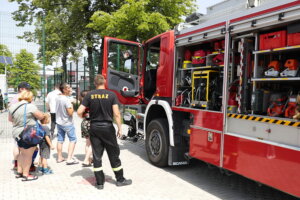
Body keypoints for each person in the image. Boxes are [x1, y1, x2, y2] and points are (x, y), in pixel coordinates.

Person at [77, 74, 132, 190]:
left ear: (95, 83)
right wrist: (120, 128)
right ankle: (120, 179)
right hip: (107, 128)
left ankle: (100, 183)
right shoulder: (111, 95)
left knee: (97, 155)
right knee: (113, 154)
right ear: (105, 82)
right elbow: (117, 114)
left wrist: (85, 117)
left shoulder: (89, 95)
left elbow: (79, 111)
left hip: (94, 127)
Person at [8, 90, 46, 181]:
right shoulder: (30, 106)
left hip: (16, 133)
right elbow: (41, 116)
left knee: (21, 153)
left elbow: (10, 120)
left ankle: (19, 172)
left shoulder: (12, 106)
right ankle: (26, 174)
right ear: (30, 97)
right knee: (28, 155)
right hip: (28, 134)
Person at [8, 82, 33, 171]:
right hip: (26, 128)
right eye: (27, 88)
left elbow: (10, 118)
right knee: (25, 149)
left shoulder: (13, 99)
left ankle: (16, 164)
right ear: (21, 89)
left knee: (16, 145)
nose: (28, 90)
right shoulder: (26, 98)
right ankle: (25, 167)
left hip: (16, 127)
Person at [55, 83, 78, 165]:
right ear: (64, 90)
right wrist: (72, 103)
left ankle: (59, 157)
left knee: (60, 140)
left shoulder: (58, 97)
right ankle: (69, 158)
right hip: (67, 123)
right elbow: (71, 113)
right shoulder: (67, 100)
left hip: (59, 122)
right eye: (68, 88)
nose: (70, 89)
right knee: (73, 140)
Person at [80, 90, 93, 167]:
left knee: (87, 143)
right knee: (92, 143)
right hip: (91, 123)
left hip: (84, 123)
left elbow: (81, 114)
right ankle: (86, 160)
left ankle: (89, 160)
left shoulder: (82, 104)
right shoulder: (91, 103)